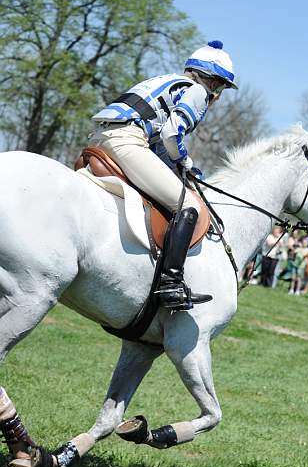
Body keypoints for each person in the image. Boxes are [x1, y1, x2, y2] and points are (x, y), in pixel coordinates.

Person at [89, 40, 238, 311]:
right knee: (189, 206)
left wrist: (178, 168)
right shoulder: (198, 93)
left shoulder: (166, 80)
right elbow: (172, 134)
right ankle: (170, 283)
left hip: (102, 136)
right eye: (222, 88)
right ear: (214, 83)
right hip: (127, 140)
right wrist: (186, 161)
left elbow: (158, 145)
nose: (218, 94)